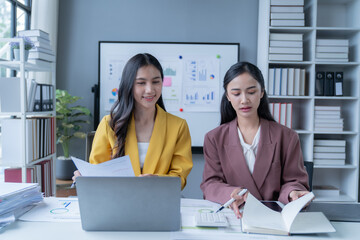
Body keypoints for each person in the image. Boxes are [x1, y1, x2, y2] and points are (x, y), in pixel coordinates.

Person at [200, 62, 309, 217]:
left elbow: (294, 181)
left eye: (251, 92)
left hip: (275, 216)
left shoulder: (287, 136)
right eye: (236, 94)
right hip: (234, 215)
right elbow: (210, 184)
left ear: (262, 92)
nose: (244, 100)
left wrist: (293, 193)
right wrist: (231, 193)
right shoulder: (214, 138)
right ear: (228, 96)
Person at [73, 53, 193, 190]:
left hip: (158, 199)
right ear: (129, 85)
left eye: (156, 81)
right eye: (141, 83)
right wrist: (86, 177)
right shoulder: (109, 124)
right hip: (117, 201)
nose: (150, 90)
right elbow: (97, 171)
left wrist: (158, 181)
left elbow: (180, 177)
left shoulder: (178, 126)